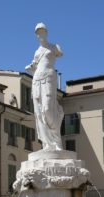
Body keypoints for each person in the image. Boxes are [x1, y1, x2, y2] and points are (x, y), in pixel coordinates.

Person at [25, 23, 64, 151]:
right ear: (36, 35)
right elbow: (35, 66)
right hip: (36, 79)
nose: (40, 34)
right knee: (39, 112)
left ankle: (56, 141)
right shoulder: (37, 52)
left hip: (49, 77)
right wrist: (30, 67)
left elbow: (60, 53)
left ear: (46, 33)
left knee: (47, 108)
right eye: (38, 32)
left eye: (42, 32)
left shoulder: (54, 47)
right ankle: (47, 143)